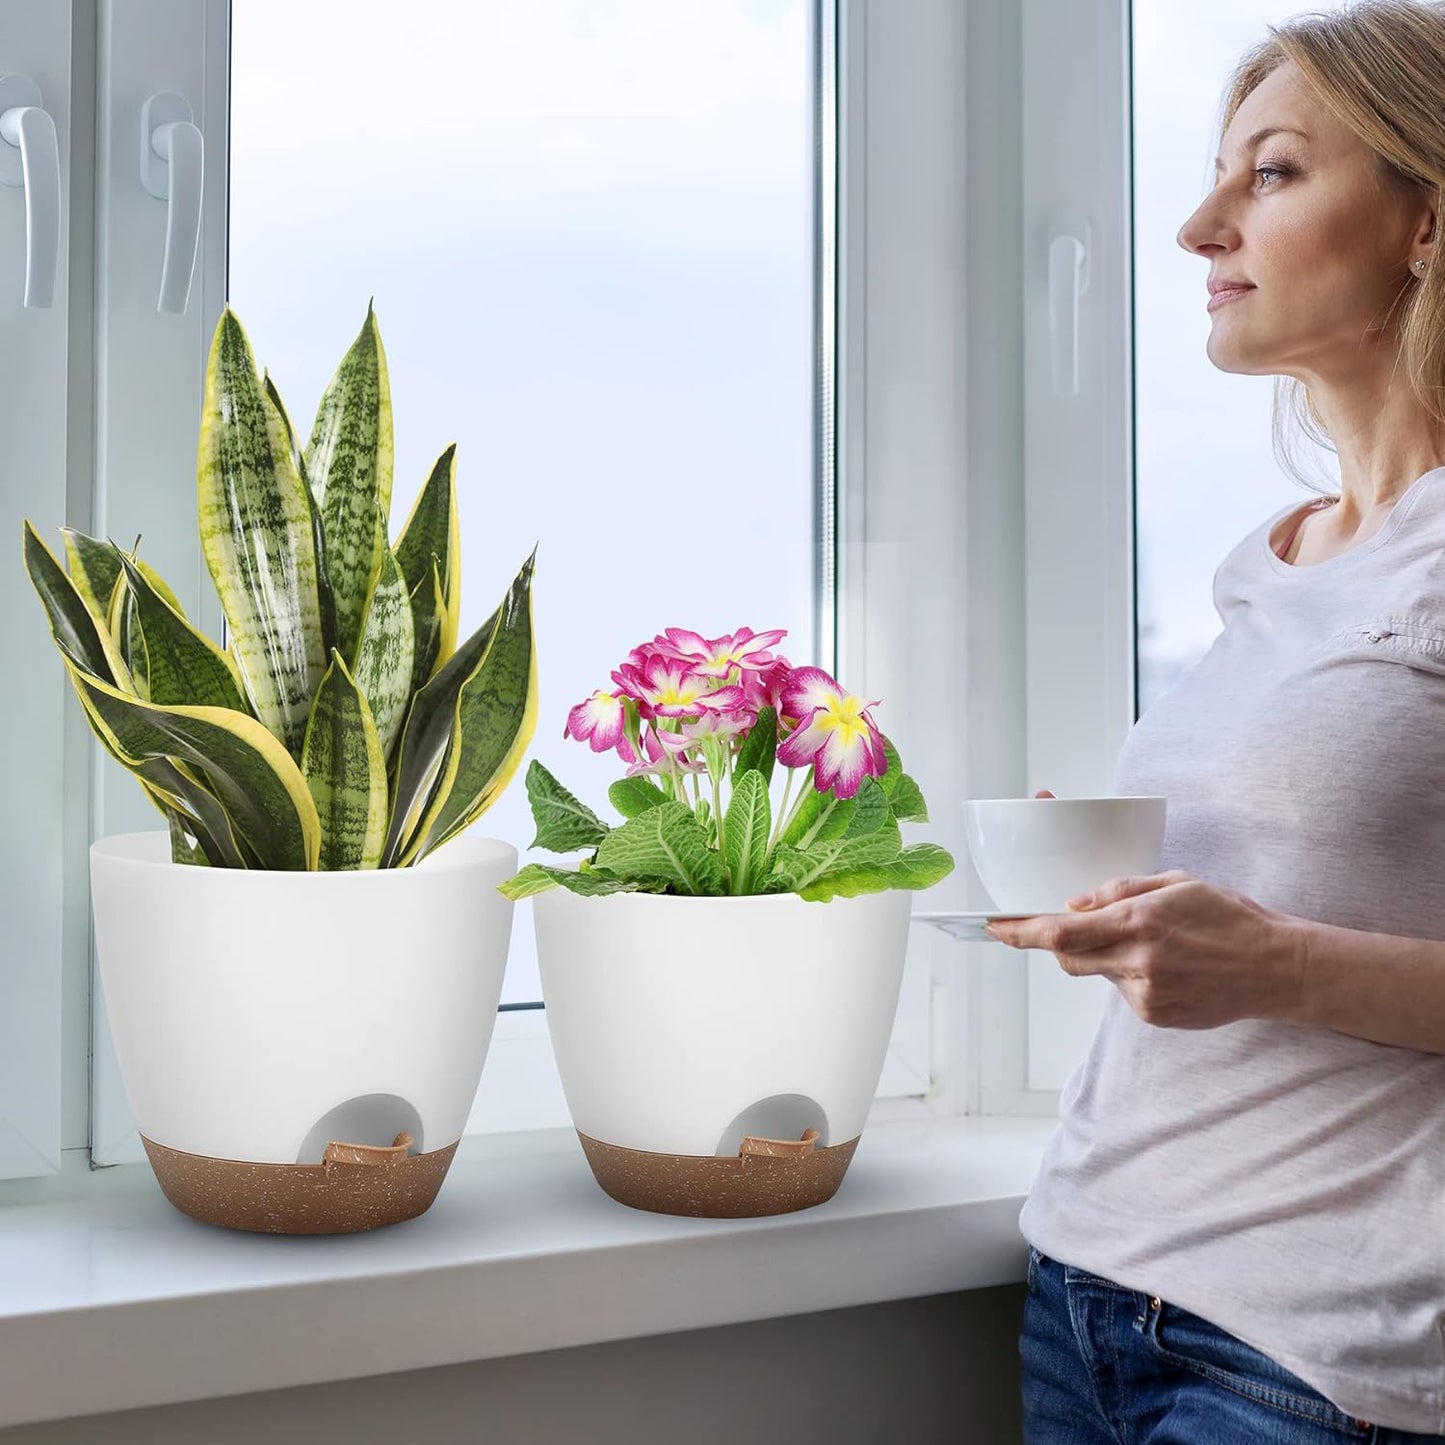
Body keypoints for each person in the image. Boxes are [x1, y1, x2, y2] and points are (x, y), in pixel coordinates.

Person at [984, 3, 1445, 1439]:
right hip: (1084, 1290)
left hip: (1309, 1359)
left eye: (1271, 173)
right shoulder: (1276, 557)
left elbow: (1277, 949)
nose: (1197, 227)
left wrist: (1273, 962)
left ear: (1422, 222)